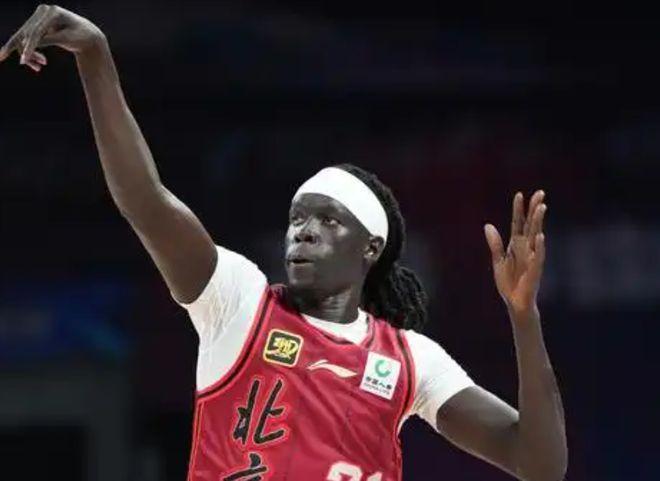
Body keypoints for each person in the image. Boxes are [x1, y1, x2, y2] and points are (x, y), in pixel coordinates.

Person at [1, 5, 567, 481]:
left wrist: (524, 317)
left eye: (328, 220)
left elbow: (539, 465)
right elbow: (146, 201)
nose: (304, 230)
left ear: (370, 248)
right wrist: (96, 57)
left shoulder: (410, 359)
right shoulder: (239, 301)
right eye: (297, 218)